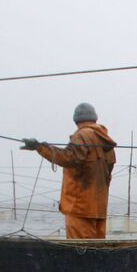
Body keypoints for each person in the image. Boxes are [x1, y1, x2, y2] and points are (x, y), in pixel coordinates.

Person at [22, 103, 117, 240]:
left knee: (80, 252)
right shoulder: (106, 142)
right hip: (99, 209)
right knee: (97, 251)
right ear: (95, 118)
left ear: (76, 120)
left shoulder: (83, 135)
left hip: (79, 207)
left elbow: (67, 158)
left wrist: (39, 147)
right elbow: (109, 172)